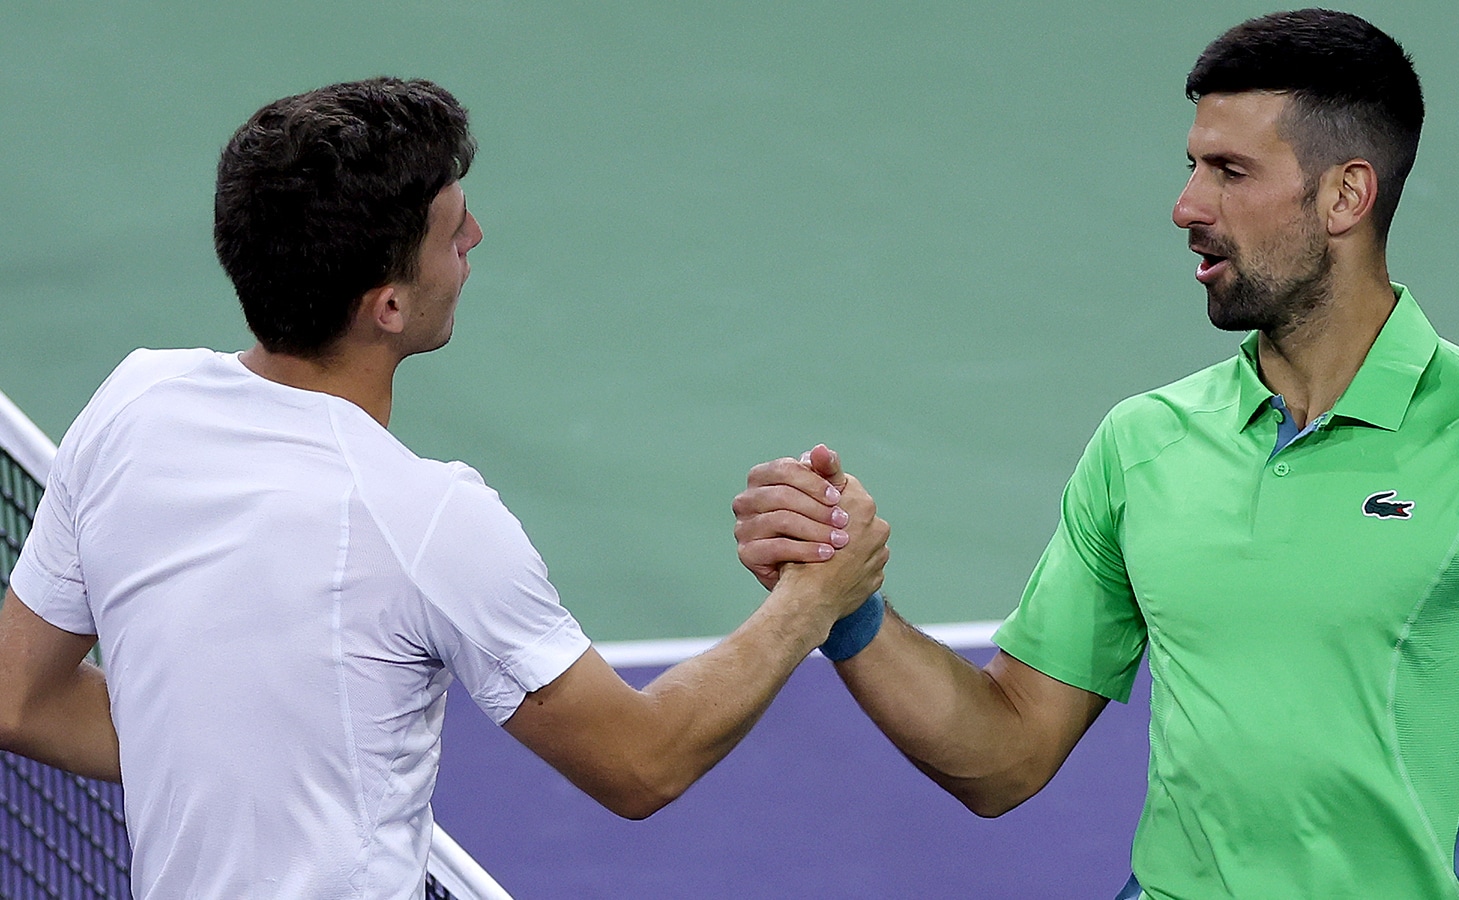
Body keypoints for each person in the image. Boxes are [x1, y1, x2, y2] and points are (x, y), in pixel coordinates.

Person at [733, 10, 1459, 899]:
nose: (1187, 206)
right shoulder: (1142, 444)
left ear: (1346, 195)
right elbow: (1007, 755)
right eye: (1193, 166)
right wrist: (847, 607)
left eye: (1230, 171)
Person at [0, 77, 889, 899]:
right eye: (450, 230)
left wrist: (226, 751)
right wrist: (814, 600)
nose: (474, 238)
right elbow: (639, 763)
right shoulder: (429, 520)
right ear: (387, 305)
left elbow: (19, 695)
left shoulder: (135, 404)